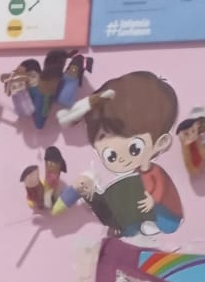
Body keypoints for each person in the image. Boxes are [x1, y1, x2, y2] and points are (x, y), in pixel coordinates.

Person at [77, 71, 183, 236]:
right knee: (117, 194)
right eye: (110, 155)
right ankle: (126, 227)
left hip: (166, 215)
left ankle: (150, 223)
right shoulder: (126, 181)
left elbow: (161, 187)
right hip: (135, 220)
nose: (120, 159)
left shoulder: (153, 172)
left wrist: (153, 200)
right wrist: (89, 194)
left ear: (160, 143)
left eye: (134, 148)